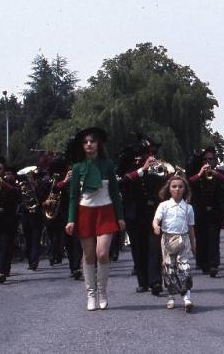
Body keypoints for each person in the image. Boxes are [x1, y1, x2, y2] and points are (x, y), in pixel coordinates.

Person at [65, 127, 125, 311]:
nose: (89, 144)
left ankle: (102, 291)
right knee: (89, 256)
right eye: (86, 142)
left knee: (102, 254)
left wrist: (120, 216)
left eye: (92, 141)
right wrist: (70, 219)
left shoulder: (107, 165)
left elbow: (115, 193)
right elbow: (74, 196)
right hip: (85, 213)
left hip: (106, 212)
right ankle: (90, 294)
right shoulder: (77, 168)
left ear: (99, 144)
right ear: (82, 146)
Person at [121, 136, 166, 295]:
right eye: (148, 152)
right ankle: (143, 281)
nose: (151, 155)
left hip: (153, 213)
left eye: (153, 152)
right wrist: (143, 170)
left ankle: (155, 282)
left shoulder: (159, 166)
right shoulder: (131, 166)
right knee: (138, 249)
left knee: (155, 248)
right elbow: (123, 182)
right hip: (134, 213)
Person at [152, 175, 196, 312]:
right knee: (169, 269)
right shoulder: (163, 205)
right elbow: (156, 220)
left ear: (185, 189)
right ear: (169, 189)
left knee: (184, 268)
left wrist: (194, 245)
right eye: (174, 186)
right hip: (167, 240)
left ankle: (187, 298)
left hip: (183, 240)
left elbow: (191, 228)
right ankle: (171, 296)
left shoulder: (188, 208)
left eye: (180, 186)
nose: (177, 189)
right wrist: (156, 226)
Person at [188, 146, 224, 277]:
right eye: (205, 159)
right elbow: (189, 183)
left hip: (215, 210)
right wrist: (200, 174)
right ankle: (203, 263)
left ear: (214, 160)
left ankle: (213, 265)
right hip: (199, 210)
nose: (208, 162)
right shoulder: (198, 174)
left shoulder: (219, 173)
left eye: (210, 159)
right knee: (201, 238)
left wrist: (217, 174)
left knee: (213, 238)